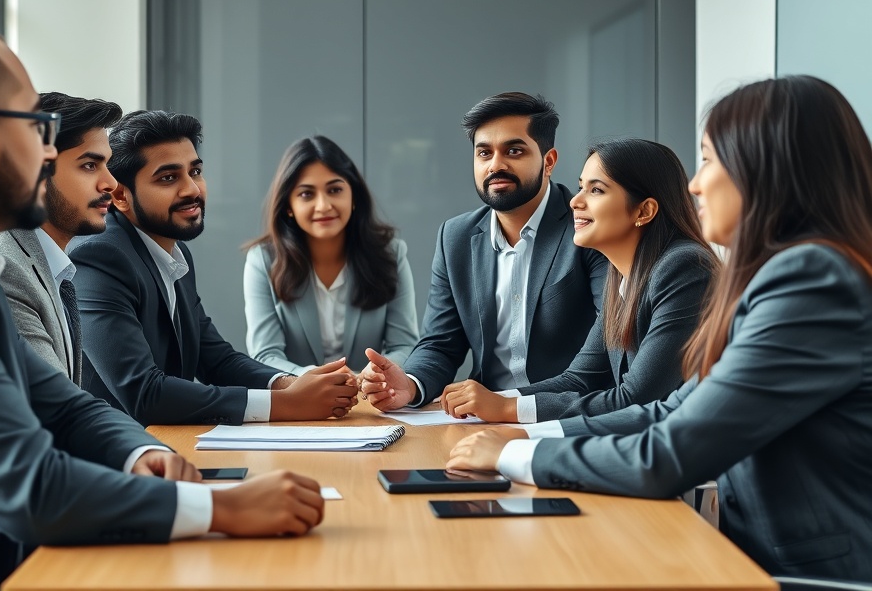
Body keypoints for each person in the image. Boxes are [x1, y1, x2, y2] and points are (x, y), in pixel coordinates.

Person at [0, 18, 324, 591]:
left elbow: (65, 407)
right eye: (38, 126)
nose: (48, 152)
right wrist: (221, 510)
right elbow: (29, 486)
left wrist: (139, 453)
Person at [448, 76, 872, 582]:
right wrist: (521, 433)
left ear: (770, 169)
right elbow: (673, 409)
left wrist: (517, 452)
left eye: (711, 160)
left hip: (809, 575)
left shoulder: (810, 281)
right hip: (754, 558)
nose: (694, 184)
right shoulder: (785, 275)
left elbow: (670, 453)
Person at [71, 110, 358, 426]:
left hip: (165, 447)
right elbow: (144, 393)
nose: (191, 190)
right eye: (168, 178)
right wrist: (286, 403)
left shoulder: (173, 253)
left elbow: (217, 360)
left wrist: (296, 384)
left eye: (194, 172)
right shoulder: (98, 257)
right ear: (121, 196)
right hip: (113, 459)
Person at [359, 92, 609, 415]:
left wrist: (507, 404)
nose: (496, 165)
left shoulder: (586, 227)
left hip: (568, 415)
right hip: (483, 421)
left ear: (548, 162)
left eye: (514, 151)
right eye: (484, 153)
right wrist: (408, 384)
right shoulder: (456, 237)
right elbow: (440, 343)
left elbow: (606, 351)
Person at [438, 138, 716, 422]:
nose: (575, 201)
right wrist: (492, 401)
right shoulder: (622, 277)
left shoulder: (684, 267)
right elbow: (579, 379)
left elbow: (637, 397)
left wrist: (506, 409)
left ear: (643, 211)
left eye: (596, 190)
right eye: (581, 186)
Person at [244, 135, 419, 375]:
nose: (324, 205)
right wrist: (313, 380)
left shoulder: (391, 253)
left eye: (335, 189)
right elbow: (265, 354)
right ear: (288, 206)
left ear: (353, 197)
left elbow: (405, 346)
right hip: (300, 400)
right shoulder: (262, 260)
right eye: (307, 194)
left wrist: (371, 376)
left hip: (370, 399)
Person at [0, 92, 121, 385]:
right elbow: (59, 406)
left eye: (107, 165)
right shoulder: (5, 267)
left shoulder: (50, 264)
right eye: (89, 165)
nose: (110, 182)